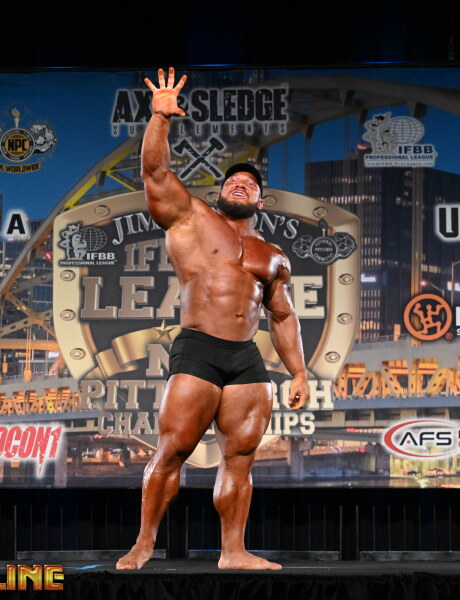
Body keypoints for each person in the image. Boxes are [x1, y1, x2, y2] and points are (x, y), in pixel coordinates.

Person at [116, 68, 310, 571]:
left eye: (250, 184)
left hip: (246, 358)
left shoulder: (272, 256)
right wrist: (160, 118)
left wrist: (299, 372)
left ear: (261, 201)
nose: (240, 185)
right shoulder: (192, 219)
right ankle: (143, 544)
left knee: (240, 458)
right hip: (199, 347)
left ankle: (233, 552)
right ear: (221, 192)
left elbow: (282, 315)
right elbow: (155, 173)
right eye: (232, 181)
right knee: (173, 449)